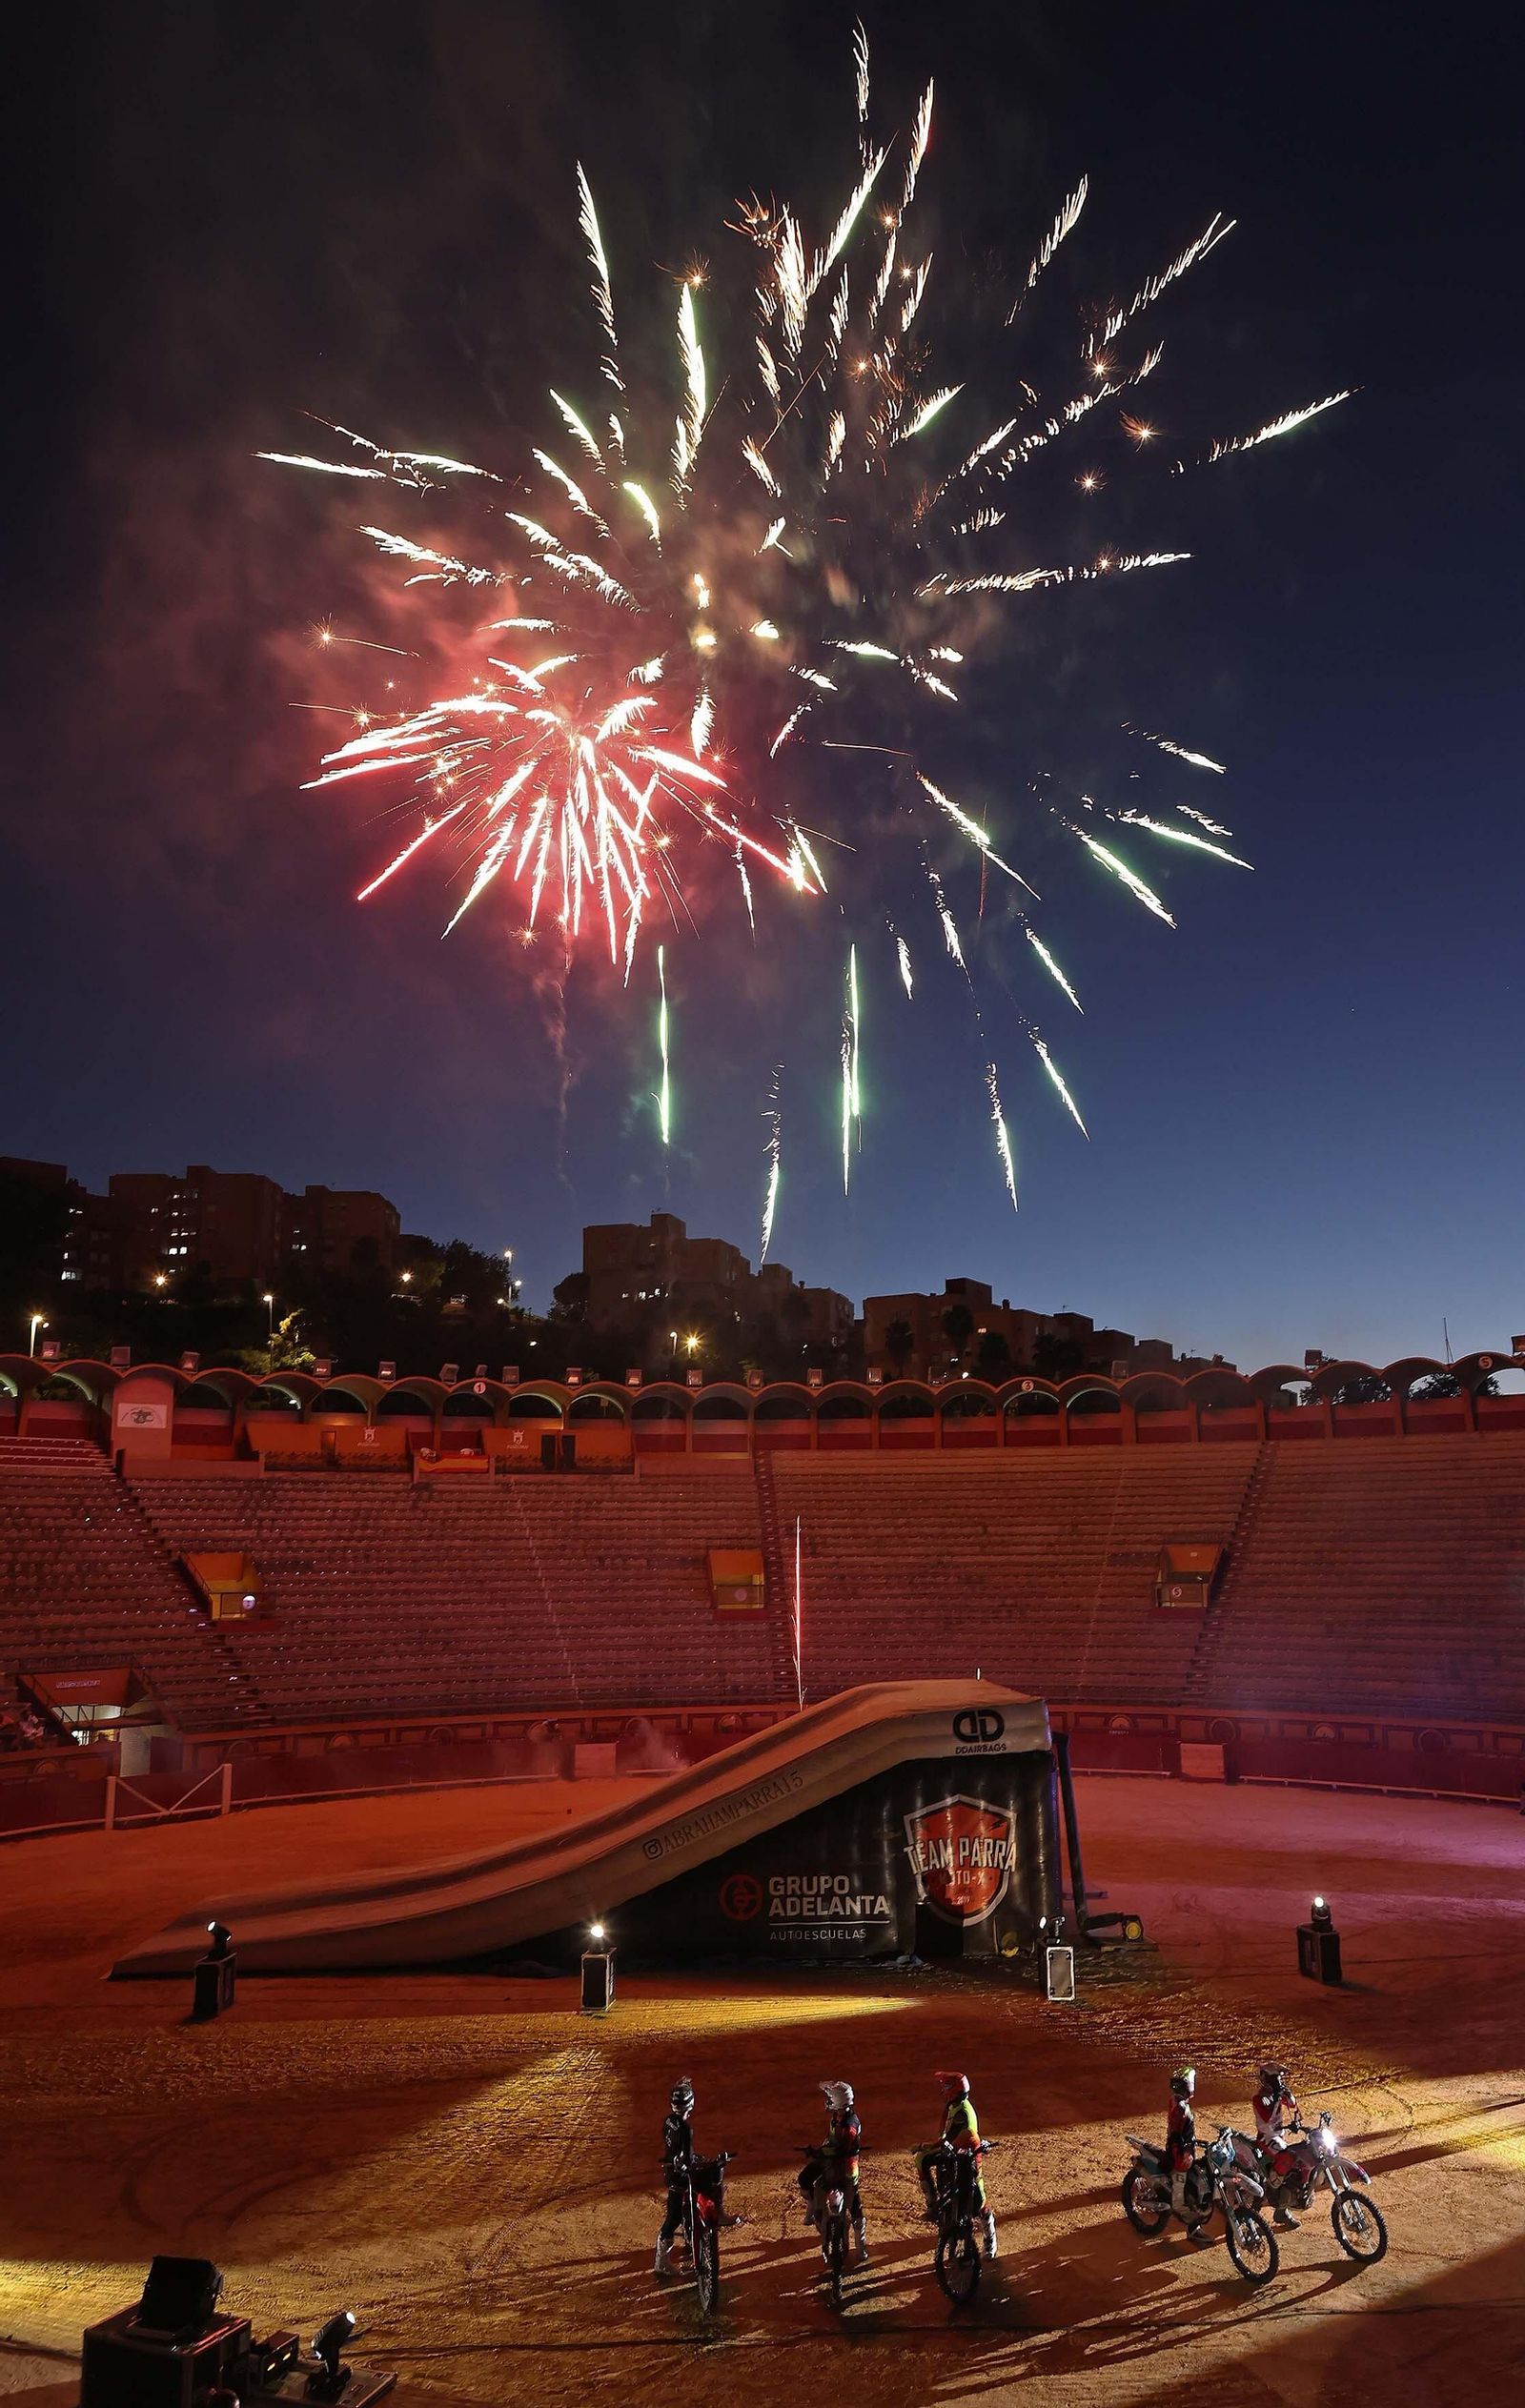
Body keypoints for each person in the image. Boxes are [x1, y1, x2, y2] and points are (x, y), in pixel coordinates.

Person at [654, 2076, 736, 2276]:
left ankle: (672, 2251)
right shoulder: (686, 2129)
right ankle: (718, 2215)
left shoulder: (669, 2121)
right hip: (682, 2175)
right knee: (712, 2176)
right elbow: (689, 2160)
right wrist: (712, 2162)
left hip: (670, 2173)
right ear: (691, 2103)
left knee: (674, 2215)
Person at [918, 2071, 997, 2259]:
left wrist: (932, 2145)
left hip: (966, 2159)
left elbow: (964, 2137)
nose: (943, 2091)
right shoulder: (953, 2107)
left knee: (978, 2200)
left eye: (945, 2088)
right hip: (952, 2156)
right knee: (939, 2180)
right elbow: (945, 2135)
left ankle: (990, 2238)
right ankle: (935, 2206)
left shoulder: (962, 2111)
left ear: (953, 2091)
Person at [798, 2079, 868, 2261]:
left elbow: (843, 2147)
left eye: (830, 2097)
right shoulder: (839, 2118)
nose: (827, 2100)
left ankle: (861, 2246)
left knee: (855, 2208)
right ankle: (813, 2208)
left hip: (844, 2167)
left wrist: (818, 2152)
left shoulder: (849, 2124)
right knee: (804, 2179)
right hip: (830, 2162)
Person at [1251, 2061, 1303, 2229]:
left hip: (1279, 2137)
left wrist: (1286, 2093)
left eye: (1279, 2078)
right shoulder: (1259, 2098)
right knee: (1287, 2159)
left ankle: (1282, 2207)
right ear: (1266, 2078)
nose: (1278, 2081)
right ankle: (1272, 2191)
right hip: (1267, 2138)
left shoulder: (1276, 2094)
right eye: (1275, 2078)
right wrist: (1276, 2097)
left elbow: (1292, 2104)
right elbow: (1266, 2118)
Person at [1166, 2066, 1210, 2243]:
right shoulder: (1180, 2107)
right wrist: (1182, 2149)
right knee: (1183, 2184)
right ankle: (1188, 2224)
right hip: (1179, 2153)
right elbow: (1176, 2132)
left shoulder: (1178, 2101)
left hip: (1184, 2149)